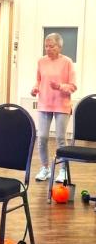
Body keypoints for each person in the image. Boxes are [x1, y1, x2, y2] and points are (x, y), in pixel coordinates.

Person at [31, 33, 77, 183]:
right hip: (44, 104)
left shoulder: (67, 62)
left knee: (60, 139)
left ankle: (63, 170)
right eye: (46, 46)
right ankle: (45, 168)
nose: (48, 49)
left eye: (52, 46)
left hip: (61, 105)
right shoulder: (41, 61)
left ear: (59, 47)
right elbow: (39, 80)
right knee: (42, 137)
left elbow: (73, 86)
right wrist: (35, 88)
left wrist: (60, 87)